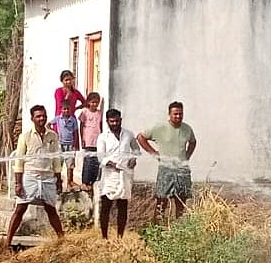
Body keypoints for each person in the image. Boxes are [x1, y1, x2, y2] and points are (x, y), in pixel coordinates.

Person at [6, 105, 66, 249]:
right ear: (32, 119)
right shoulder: (25, 136)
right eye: (38, 116)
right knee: (20, 208)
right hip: (30, 176)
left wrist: (58, 179)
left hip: (47, 177)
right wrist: (18, 183)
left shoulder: (53, 136)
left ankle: (63, 240)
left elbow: (56, 159)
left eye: (43, 116)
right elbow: (19, 161)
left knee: (51, 209)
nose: (42, 119)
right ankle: (7, 242)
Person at [136, 101, 198, 220]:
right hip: (166, 170)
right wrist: (154, 154)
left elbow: (193, 142)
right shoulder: (160, 128)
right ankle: (157, 231)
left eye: (180, 114)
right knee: (161, 201)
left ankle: (179, 230)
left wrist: (187, 156)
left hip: (182, 170)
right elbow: (140, 137)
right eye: (175, 114)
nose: (178, 116)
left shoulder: (187, 128)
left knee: (181, 201)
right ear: (169, 114)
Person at [97, 108, 139, 239]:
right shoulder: (103, 137)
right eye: (112, 121)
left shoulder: (128, 134)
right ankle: (104, 237)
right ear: (107, 122)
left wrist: (133, 159)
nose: (114, 124)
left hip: (125, 175)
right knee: (106, 206)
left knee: (123, 207)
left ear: (121, 120)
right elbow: (100, 157)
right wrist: (112, 164)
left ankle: (120, 237)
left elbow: (136, 149)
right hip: (110, 176)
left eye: (117, 121)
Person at [53, 70, 86, 186]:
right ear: (62, 81)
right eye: (66, 80)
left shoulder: (76, 92)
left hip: (71, 123)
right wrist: (67, 95)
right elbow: (60, 104)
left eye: (70, 79)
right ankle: (57, 181)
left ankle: (70, 180)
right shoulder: (59, 91)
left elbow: (84, 101)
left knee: (71, 154)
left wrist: (76, 109)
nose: (68, 82)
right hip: (60, 123)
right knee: (59, 155)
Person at [77, 92, 104, 192]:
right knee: (88, 161)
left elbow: (100, 126)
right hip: (88, 140)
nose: (94, 104)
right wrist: (82, 139)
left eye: (96, 102)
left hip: (97, 140)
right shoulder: (85, 112)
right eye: (92, 102)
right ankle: (85, 182)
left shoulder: (99, 113)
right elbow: (81, 125)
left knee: (95, 161)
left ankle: (92, 182)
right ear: (88, 102)